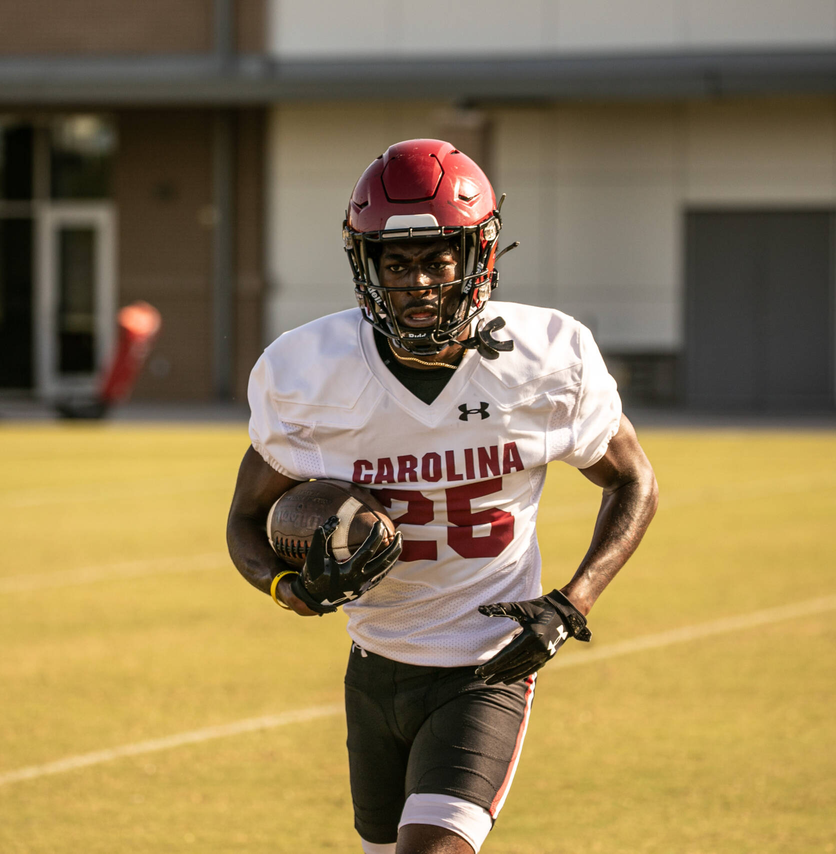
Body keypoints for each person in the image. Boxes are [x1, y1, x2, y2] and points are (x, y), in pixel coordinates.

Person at [226, 139, 658, 854]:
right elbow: (245, 517)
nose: (419, 282)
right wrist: (285, 587)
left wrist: (573, 601)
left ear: (478, 258)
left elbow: (632, 477)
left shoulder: (544, 359)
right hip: (373, 667)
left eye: (437, 260)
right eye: (397, 263)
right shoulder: (311, 371)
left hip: (486, 668)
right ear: (366, 267)